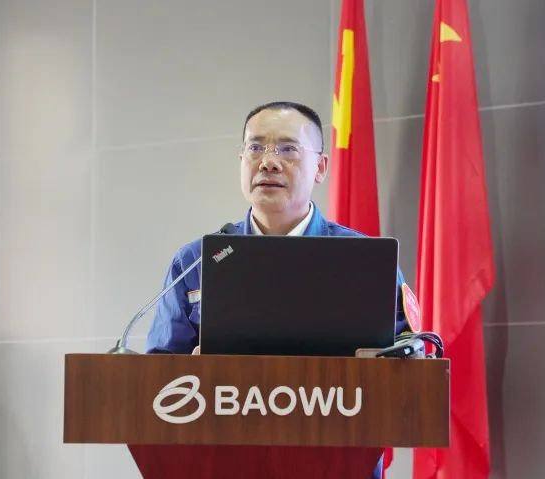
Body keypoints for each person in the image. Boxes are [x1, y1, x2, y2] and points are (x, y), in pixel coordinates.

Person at [145, 101, 408, 479]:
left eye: (287, 149)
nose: (268, 162)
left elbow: (408, 369)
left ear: (321, 167)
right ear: (241, 161)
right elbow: (156, 379)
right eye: (255, 147)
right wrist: (193, 371)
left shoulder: (366, 261)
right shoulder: (196, 261)